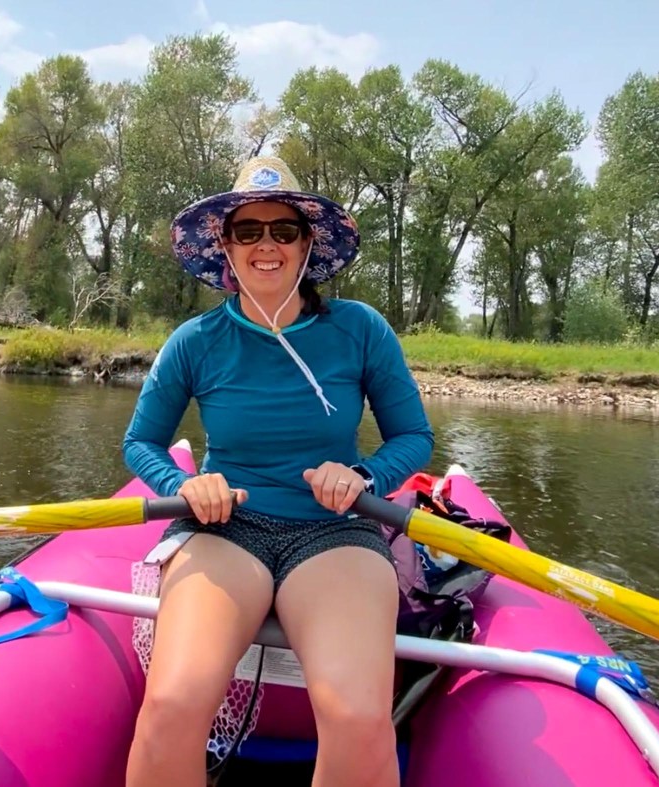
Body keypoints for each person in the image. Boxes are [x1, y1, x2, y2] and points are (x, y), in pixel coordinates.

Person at [121, 155, 434, 787]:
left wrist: (365, 477)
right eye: (248, 231)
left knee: (353, 716)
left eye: (283, 230)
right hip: (225, 529)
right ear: (226, 248)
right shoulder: (195, 340)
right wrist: (183, 485)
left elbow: (413, 437)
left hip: (335, 532)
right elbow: (142, 444)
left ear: (306, 244)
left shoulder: (360, 329)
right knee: (173, 706)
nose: (267, 244)